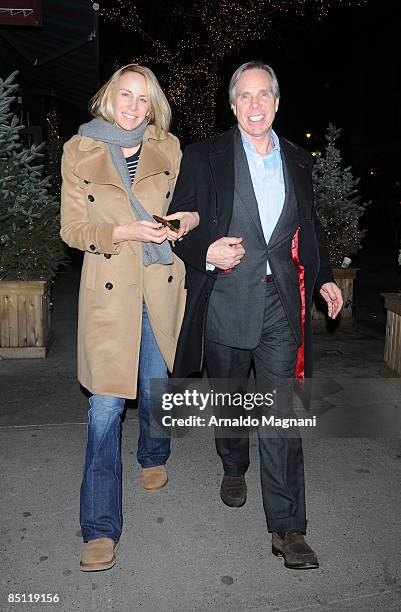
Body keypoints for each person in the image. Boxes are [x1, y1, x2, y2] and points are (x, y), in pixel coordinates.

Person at [168, 61, 343, 570]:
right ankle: (231, 461)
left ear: (277, 101)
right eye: (244, 96)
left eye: (263, 94)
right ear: (232, 104)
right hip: (225, 298)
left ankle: (289, 529)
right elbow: (180, 224)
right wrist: (205, 251)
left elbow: (308, 227)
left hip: (280, 304)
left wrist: (325, 275)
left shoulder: (297, 159)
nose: (255, 104)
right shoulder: (205, 156)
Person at [60, 64, 198, 572]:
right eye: (126, 95)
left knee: (157, 380)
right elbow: (73, 229)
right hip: (110, 290)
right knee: (104, 407)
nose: (134, 106)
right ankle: (99, 528)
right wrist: (124, 233)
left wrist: (179, 223)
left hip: (160, 285)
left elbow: (192, 210)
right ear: (109, 97)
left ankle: (153, 452)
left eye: (144, 99)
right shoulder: (79, 150)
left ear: (153, 105)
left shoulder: (171, 147)